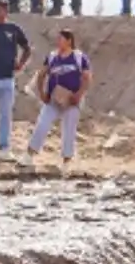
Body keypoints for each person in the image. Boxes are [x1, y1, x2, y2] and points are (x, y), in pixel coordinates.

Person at [27, 28, 91, 170]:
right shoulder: (52, 57)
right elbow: (41, 74)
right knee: (42, 124)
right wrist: (42, 92)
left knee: (69, 129)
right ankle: (29, 155)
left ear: (69, 41)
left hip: (71, 100)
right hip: (53, 99)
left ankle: (66, 162)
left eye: (61, 38)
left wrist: (79, 95)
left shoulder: (79, 57)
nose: (58, 41)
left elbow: (87, 78)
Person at [0, 0, 31, 161]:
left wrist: (21, 64)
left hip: (7, 79)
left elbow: (27, 48)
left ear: (5, 11)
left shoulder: (13, 29)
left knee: (5, 115)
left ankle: (4, 148)